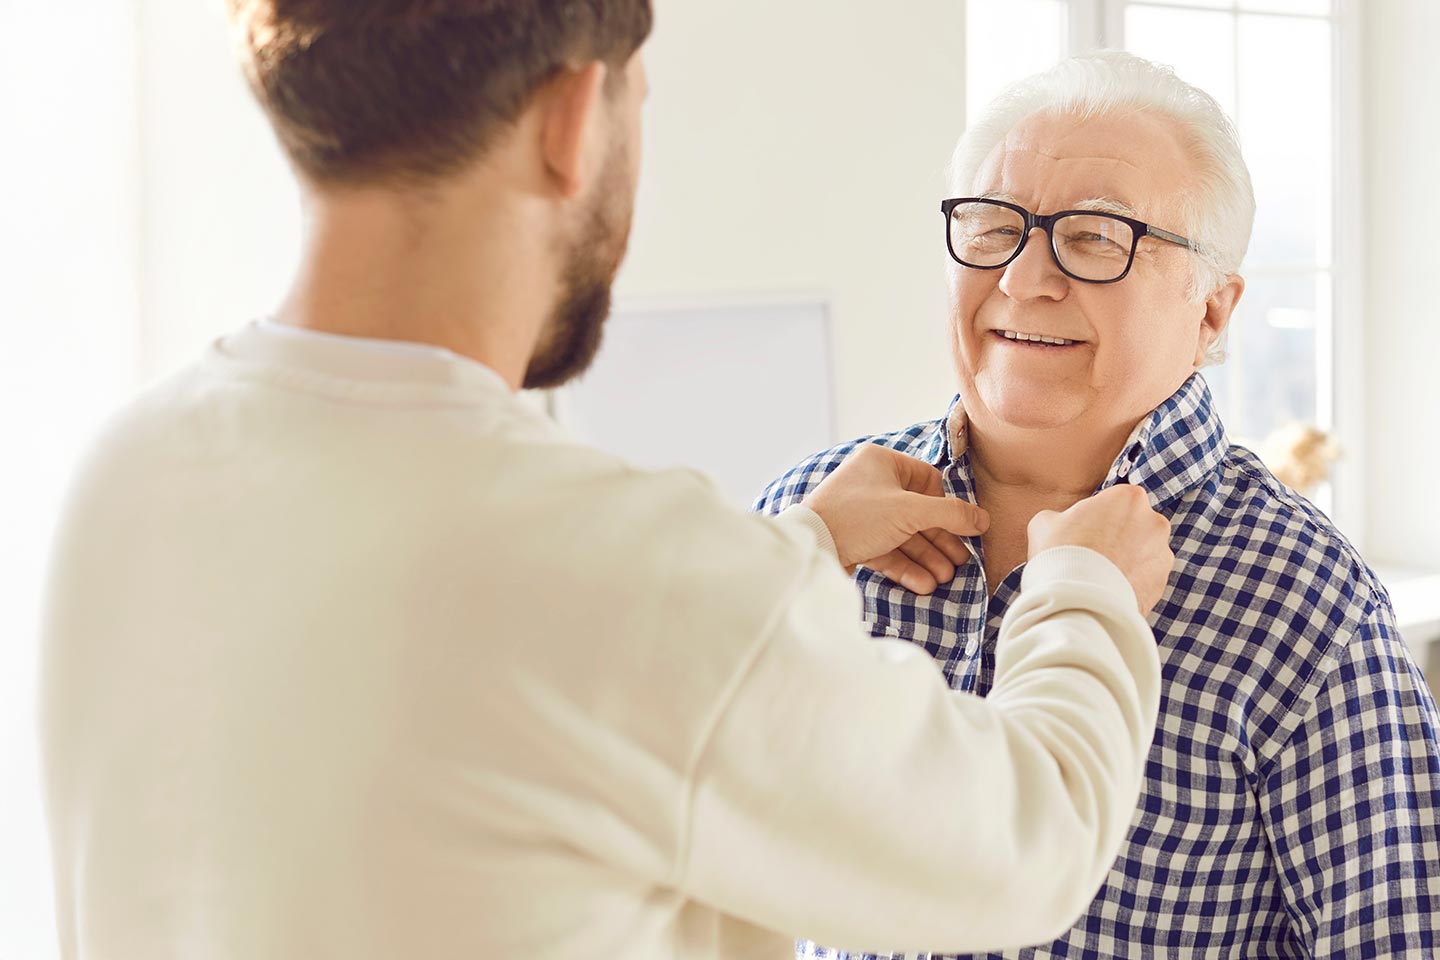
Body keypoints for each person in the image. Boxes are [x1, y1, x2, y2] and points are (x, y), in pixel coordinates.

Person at [37, 4, 1176, 957]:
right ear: (575, 119)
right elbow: (1030, 839)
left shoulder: (127, 472)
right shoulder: (625, 574)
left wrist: (796, 550)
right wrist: (1086, 591)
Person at [756, 51, 1440, 960]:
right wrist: (789, 556)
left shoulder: (1302, 600)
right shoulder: (808, 525)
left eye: (1094, 237)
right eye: (995, 226)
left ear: (1212, 312)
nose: (1024, 279)